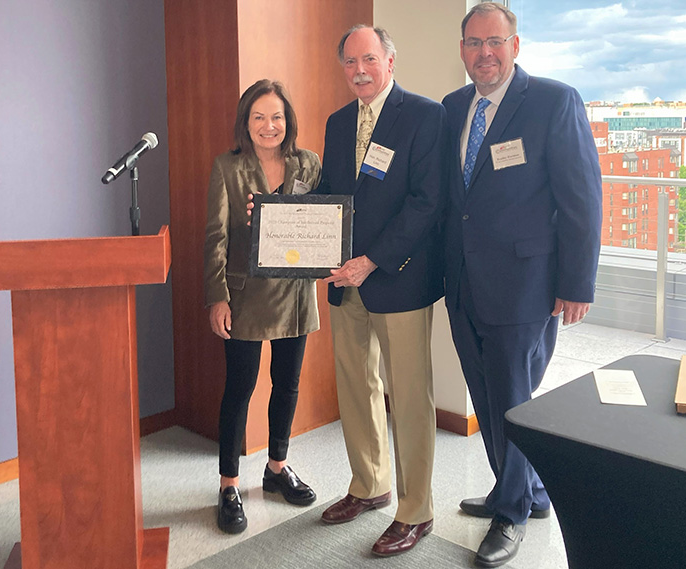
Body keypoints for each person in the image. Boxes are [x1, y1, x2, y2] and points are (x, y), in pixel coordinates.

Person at [442, 3, 602, 567]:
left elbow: (581, 198)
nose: (484, 53)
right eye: (473, 43)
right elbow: (453, 201)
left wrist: (576, 283)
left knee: (514, 402)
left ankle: (510, 515)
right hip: (463, 282)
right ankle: (524, 492)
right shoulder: (454, 106)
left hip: (525, 285)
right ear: (462, 50)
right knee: (487, 400)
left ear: (515, 45)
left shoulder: (555, 101)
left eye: (495, 41)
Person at [316, 25, 447, 557]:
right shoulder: (337, 121)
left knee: (410, 398)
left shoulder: (424, 115)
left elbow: (426, 201)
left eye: (369, 59)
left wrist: (371, 261)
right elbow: (331, 196)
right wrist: (282, 216)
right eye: (349, 62)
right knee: (356, 387)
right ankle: (369, 485)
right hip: (345, 283)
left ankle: (417, 511)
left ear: (390, 61)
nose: (359, 71)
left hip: (399, 276)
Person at [203, 79, 320, 535]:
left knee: (286, 385)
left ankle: (276, 467)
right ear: (245, 123)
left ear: (287, 120)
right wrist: (217, 296)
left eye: (276, 117)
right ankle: (229, 483)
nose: (268, 126)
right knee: (239, 389)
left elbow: (323, 222)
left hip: (295, 295)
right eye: (258, 117)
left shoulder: (307, 163)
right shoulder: (227, 168)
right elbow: (216, 237)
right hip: (245, 296)